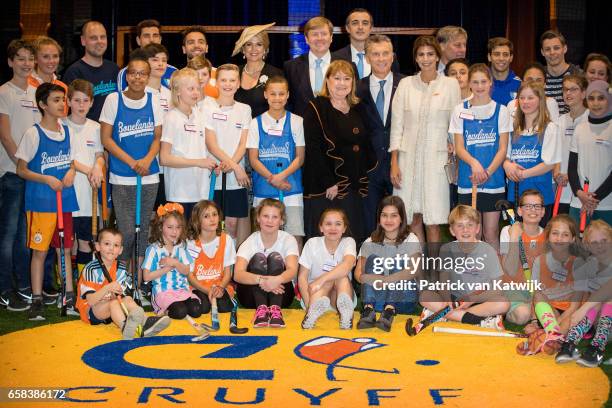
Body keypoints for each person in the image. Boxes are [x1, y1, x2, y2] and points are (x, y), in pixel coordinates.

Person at [100, 56, 163, 301]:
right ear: (127, 76)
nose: (137, 78)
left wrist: (147, 160)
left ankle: (140, 283)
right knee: (126, 232)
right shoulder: (113, 100)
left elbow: (157, 136)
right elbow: (106, 138)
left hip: (148, 176)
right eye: (133, 73)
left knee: (144, 232)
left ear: (148, 77)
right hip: (123, 176)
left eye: (142, 74)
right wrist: (131, 161)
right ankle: (121, 281)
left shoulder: (154, 99)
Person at [16, 83, 79, 320]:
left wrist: (71, 171)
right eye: (55, 100)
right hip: (42, 203)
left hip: (65, 201)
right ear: (42, 105)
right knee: (40, 252)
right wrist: (46, 179)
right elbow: (21, 169)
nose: (62, 104)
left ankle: (68, 296)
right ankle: (37, 299)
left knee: (64, 249)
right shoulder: (33, 133)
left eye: (63, 99)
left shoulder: (67, 130)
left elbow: (70, 160)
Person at [390, 35, 461, 245]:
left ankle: (435, 273)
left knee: (433, 221)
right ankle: (417, 271)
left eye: (430, 54)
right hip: (407, 160)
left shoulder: (450, 85)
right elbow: (397, 126)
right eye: (421, 54)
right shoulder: (405, 84)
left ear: (438, 56)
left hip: (436, 161)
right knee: (412, 219)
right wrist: (394, 162)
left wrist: (453, 145)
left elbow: (455, 123)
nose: (426, 58)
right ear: (415, 58)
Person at [302, 59, 377, 243]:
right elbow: (314, 148)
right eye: (337, 78)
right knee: (326, 237)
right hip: (327, 187)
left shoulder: (359, 107)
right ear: (327, 81)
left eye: (347, 78)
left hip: (353, 184)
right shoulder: (317, 107)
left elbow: (367, 142)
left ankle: (350, 272)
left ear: (352, 83)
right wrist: (329, 182)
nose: (342, 83)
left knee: (351, 235)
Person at [450, 63, 511, 251]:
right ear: (469, 84)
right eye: (475, 82)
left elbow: (502, 149)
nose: (479, 86)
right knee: (470, 234)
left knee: (490, 233)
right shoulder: (460, 110)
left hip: (493, 180)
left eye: (483, 81)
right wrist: (474, 164)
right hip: (469, 179)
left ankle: (493, 276)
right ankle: (471, 275)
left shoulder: (502, 111)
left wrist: (488, 171)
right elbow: (459, 147)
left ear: (490, 83)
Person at [419, 205, 509, 330]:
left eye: (469, 225)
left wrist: (471, 299)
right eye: (459, 225)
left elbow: (498, 288)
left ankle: (448, 317)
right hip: (454, 299)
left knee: (503, 303)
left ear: (477, 228)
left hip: (479, 300)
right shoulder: (446, 250)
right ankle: (478, 320)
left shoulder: (488, 251)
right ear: (451, 230)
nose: (465, 230)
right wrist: (447, 301)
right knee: (425, 296)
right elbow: (444, 283)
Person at [0, 39, 39, 311]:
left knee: (26, 235)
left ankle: (24, 285)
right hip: (12, 174)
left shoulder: (36, 92)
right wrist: (20, 164)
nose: (26, 63)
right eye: (20, 58)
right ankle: (4, 289)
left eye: (29, 58)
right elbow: (5, 135)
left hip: (33, 176)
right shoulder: (4, 92)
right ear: (11, 62)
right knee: (8, 235)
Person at [76, 227, 171, 339]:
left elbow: (120, 296)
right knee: (113, 303)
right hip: (91, 311)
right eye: (107, 244)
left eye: (116, 245)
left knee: (128, 300)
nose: (111, 248)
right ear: (97, 247)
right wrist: (107, 288)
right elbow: (91, 301)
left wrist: (116, 294)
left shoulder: (121, 268)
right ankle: (125, 327)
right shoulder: (91, 269)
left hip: (110, 308)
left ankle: (145, 323)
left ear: (120, 250)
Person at [247, 76, 305, 246]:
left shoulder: (297, 121)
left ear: (287, 95)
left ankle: (293, 273)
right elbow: (253, 159)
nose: (277, 98)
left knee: (294, 236)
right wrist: (273, 179)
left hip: (291, 189)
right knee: (262, 237)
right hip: (264, 189)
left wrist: (281, 177)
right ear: (265, 95)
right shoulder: (255, 123)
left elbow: (300, 157)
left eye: (281, 94)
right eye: (273, 94)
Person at [356, 34, 405, 235]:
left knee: (402, 218)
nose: (381, 58)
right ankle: (371, 261)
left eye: (385, 53)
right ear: (367, 57)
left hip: (401, 163)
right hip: (368, 166)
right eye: (375, 54)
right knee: (369, 221)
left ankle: (403, 264)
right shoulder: (357, 88)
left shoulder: (407, 84)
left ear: (392, 56)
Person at [355, 196, 421, 331]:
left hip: (403, 297)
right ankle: (368, 311)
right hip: (377, 298)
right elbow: (358, 274)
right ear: (379, 218)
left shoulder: (411, 238)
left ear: (401, 218)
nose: (388, 220)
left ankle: (389, 311)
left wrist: (388, 279)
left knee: (397, 262)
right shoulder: (370, 241)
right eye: (384, 215)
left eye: (394, 216)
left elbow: (414, 271)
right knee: (373, 260)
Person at [203, 64, 252, 244]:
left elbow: (242, 143)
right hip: (214, 175)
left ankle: (228, 270)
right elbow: (211, 144)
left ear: (238, 83)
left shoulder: (244, 109)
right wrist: (235, 166)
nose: (228, 84)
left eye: (232, 80)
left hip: (234, 177)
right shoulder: (207, 108)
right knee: (211, 225)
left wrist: (232, 166)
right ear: (216, 83)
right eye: (223, 80)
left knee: (231, 226)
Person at [160, 68, 216, 219]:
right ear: (177, 91)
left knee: (196, 238)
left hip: (201, 190)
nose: (196, 92)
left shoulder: (200, 115)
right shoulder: (171, 118)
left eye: (198, 88)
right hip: (179, 192)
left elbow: (203, 148)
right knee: (180, 238)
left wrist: (211, 164)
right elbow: (164, 158)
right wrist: (198, 162)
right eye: (191, 88)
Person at [504, 81, 561, 226]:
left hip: (540, 196)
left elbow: (549, 164)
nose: (525, 102)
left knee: (539, 242)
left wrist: (522, 174)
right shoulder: (513, 128)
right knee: (517, 240)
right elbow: (505, 155)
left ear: (540, 100)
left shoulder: (550, 128)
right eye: (522, 98)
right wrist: (507, 165)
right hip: (516, 195)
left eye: (530, 98)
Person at [234, 199, 299, 327]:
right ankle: (261, 311)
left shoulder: (288, 239)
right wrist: (262, 281)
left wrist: (276, 280)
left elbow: (292, 270)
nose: (270, 221)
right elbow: (237, 274)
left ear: (281, 221)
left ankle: (275, 310)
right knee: (259, 257)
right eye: (265, 216)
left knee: (275, 257)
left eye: (274, 217)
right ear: (258, 218)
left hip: (282, 295)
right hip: (251, 298)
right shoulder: (251, 241)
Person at [557, 220, 612, 367]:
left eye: (604, 241)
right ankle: (570, 343)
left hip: (607, 319)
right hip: (600, 321)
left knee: (605, 298)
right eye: (594, 243)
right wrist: (556, 331)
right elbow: (575, 303)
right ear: (587, 245)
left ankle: (597, 347)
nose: (600, 246)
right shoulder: (588, 265)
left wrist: (584, 309)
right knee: (595, 300)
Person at [65, 79, 104, 272]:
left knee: (86, 242)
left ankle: (84, 279)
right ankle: (64, 278)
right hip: (68, 194)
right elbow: (65, 159)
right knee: (65, 243)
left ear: (91, 102)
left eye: (85, 101)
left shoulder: (96, 128)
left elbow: (99, 155)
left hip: (89, 197)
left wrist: (97, 166)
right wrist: (89, 170)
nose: (81, 105)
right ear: (69, 101)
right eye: (77, 100)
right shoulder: (60, 126)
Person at [299, 208, 356, 329]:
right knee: (328, 281)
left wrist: (322, 279)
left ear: (344, 228)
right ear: (321, 227)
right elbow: (302, 277)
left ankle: (346, 316)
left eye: (338, 224)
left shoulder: (348, 242)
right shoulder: (312, 243)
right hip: (315, 295)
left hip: (340, 294)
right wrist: (309, 304)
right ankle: (312, 313)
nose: (333, 228)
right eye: (328, 224)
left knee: (341, 277)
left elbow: (347, 266)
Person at [143, 203, 201, 319]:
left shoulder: (181, 247)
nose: (174, 232)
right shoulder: (153, 250)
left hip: (181, 290)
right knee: (180, 312)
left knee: (196, 310)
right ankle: (163, 311)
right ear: (160, 227)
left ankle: (178, 305)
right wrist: (167, 269)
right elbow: (146, 277)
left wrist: (174, 263)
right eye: (170, 227)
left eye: (178, 227)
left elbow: (186, 271)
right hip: (163, 292)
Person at [284, 16, 352, 116]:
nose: (319, 38)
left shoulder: (348, 65)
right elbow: (288, 102)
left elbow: (353, 99)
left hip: (338, 127)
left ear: (331, 37)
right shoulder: (291, 67)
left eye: (324, 34)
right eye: (315, 34)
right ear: (306, 39)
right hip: (302, 128)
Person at [529, 214, 585, 335]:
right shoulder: (539, 261)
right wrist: (534, 320)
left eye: (565, 235)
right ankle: (552, 333)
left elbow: (574, 307)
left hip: (570, 310)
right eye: (555, 233)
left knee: (569, 321)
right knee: (538, 295)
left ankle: (552, 335)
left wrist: (557, 323)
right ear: (548, 237)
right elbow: (535, 295)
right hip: (548, 310)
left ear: (573, 239)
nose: (559, 238)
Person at [568, 79, 612, 225]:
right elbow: (572, 167)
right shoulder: (581, 128)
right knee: (577, 247)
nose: (596, 103)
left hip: (606, 204)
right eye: (591, 98)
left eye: (601, 98)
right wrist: (580, 194)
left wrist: (594, 199)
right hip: (579, 202)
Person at [499, 189, 547, 325]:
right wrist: (514, 237)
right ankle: (500, 310)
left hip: (537, 288)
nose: (533, 210)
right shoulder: (507, 231)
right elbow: (510, 270)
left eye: (537, 206)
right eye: (527, 206)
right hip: (513, 286)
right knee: (522, 316)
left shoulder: (548, 236)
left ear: (543, 211)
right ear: (519, 211)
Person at [186, 200, 237, 315]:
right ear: (197, 221)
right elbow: (189, 276)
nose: (212, 219)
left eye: (215, 214)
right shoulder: (191, 243)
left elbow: (228, 273)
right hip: (198, 286)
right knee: (203, 309)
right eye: (206, 216)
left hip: (219, 285)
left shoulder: (226, 240)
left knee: (224, 307)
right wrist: (209, 290)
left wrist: (220, 288)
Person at [63, 21, 119, 121]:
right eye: (93, 38)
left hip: (112, 132)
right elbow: (67, 109)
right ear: (83, 41)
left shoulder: (114, 69)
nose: (99, 41)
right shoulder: (74, 72)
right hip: (85, 133)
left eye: (103, 37)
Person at [553, 74, 588, 215]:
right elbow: (555, 152)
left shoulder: (590, 119)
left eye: (573, 89)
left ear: (584, 93)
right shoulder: (560, 121)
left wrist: (572, 175)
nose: (568, 93)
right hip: (561, 187)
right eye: (565, 89)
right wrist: (556, 172)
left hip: (581, 188)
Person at [233, 23, 284, 119]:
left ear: (265, 49)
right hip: (235, 129)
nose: (253, 49)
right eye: (249, 44)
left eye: (259, 44)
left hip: (264, 130)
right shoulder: (234, 72)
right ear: (243, 49)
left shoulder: (276, 74)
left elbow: (281, 106)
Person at [332, 8, 400, 78]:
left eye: (365, 23)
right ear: (347, 28)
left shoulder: (388, 58)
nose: (360, 27)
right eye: (355, 23)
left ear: (371, 28)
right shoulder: (335, 58)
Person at [117, 19, 178, 91]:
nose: (151, 39)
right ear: (138, 40)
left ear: (160, 39)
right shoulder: (125, 73)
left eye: (155, 35)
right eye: (146, 36)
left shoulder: (174, 72)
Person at [540, 30, 582, 115]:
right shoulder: (539, 76)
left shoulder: (578, 75)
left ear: (565, 49)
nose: (552, 52)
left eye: (556, 48)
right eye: (547, 49)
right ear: (542, 52)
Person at [181, 25, 218, 98]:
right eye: (191, 42)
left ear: (207, 48)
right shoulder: (178, 77)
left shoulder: (219, 75)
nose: (196, 45)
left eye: (201, 42)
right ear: (184, 49)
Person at [487, 37, 521, 106]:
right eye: (497, 54)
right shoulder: (480, 82)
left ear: (511, 58)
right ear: (489, 57)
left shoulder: (519, 84)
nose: (501, 58)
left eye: (505, 54)